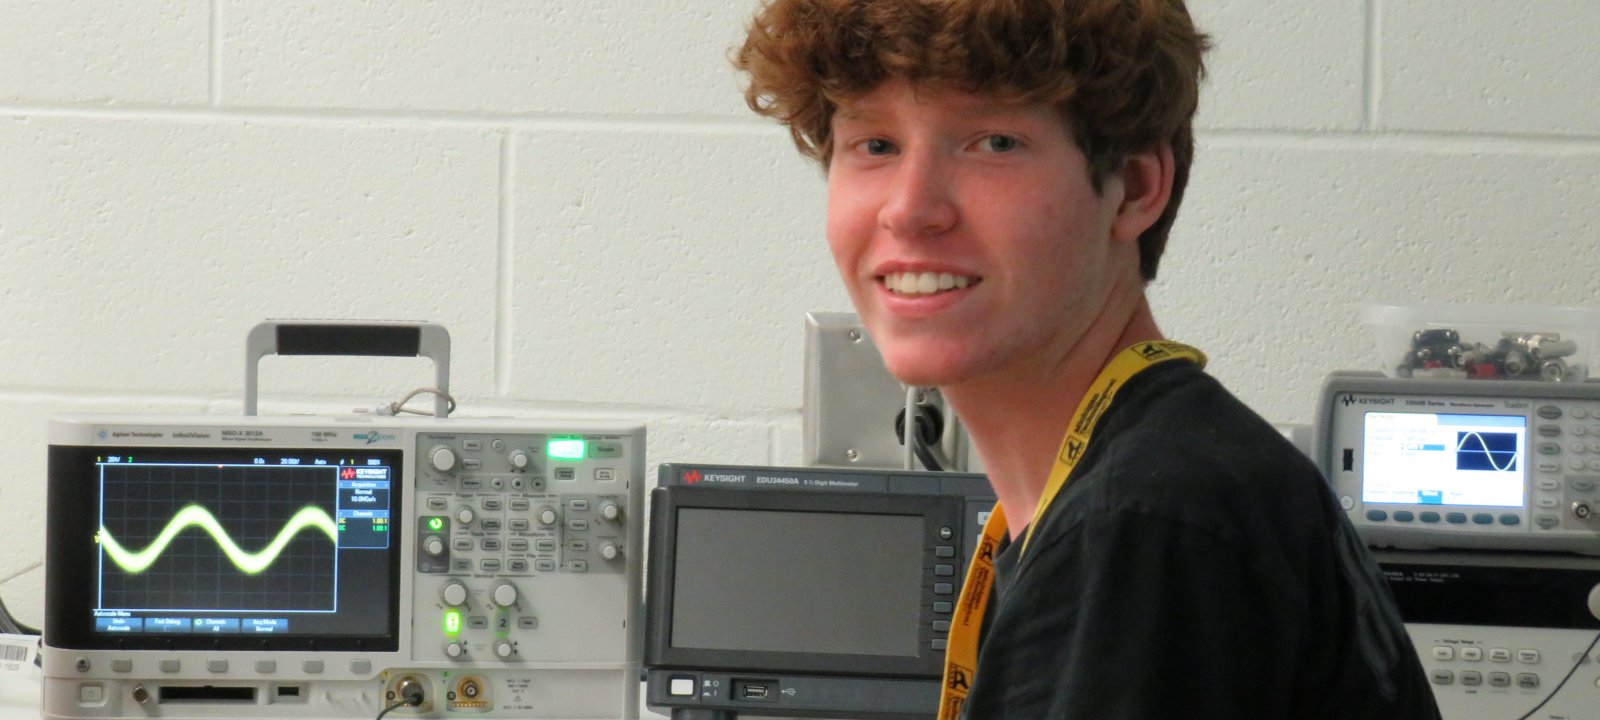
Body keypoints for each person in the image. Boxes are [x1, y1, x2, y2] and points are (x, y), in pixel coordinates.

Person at [734, 1, 1442, 717]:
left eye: (994, 142)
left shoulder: (1145, 526)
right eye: (875, 146)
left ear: (1134, 189)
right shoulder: (1149, 478)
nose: (910, 210)